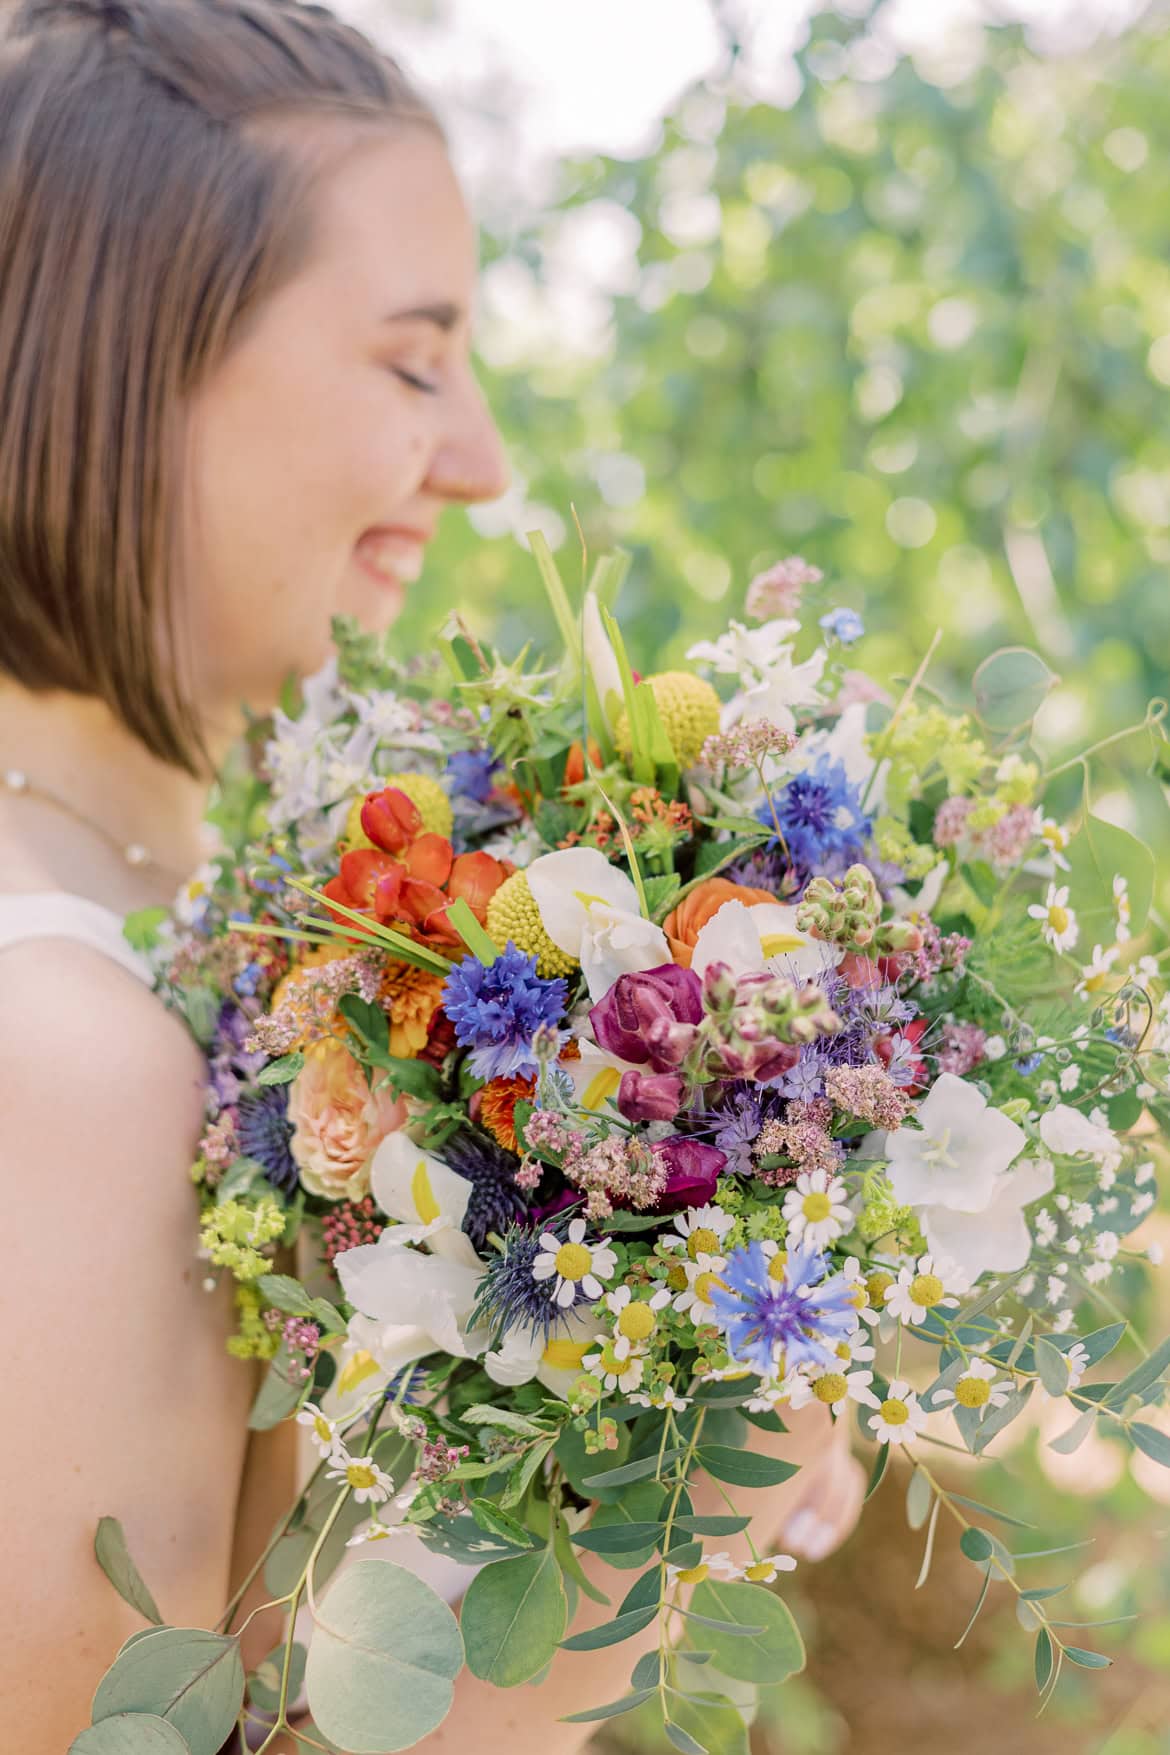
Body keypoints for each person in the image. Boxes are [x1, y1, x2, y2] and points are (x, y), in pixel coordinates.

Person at [0, 2, 865, 1748]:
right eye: (409, 362)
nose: (478, 463)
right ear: (122, 367)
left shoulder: (225, 903)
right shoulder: (67, 1047)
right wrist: (670, 1530)